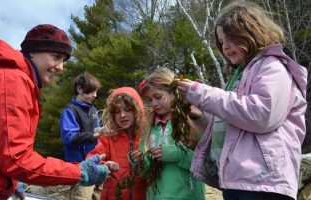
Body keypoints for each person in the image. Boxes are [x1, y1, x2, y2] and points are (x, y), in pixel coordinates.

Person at [0, 24, 109, 199]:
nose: (61, 67)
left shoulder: (8, 77)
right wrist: (78, 172)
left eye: (63, 61)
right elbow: (16, 159)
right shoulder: (10, 80)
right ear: (32, 52)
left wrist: (11, 184)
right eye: (55, 57)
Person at [177, 1, 307, 200]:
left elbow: (262, 114)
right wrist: (201, 116)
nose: (225, 46)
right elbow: (231, 126)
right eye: (221, 42)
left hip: (264, 183)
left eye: (230, 39)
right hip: (238, 181)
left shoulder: (273, 67)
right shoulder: (238, 77)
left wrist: (203, 94)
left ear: (251, 33)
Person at [131, 67, 205, 200]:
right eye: (149, 100)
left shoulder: (191, 123)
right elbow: (143, 174)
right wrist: (139, 162)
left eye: (158, 97)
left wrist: (177, 155)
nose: (153, 103)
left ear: (174, 93)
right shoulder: (149, 129)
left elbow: (204, 164)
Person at [86, 87, 147, 200]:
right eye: (117, 112)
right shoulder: (109, 138)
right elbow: (91, 161)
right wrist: (105, 166)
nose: (122, 115)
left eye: (127, 110)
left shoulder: (147, 136)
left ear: (137, 110)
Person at [60, 72, 102, 199]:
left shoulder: (93, 110)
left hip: (97, 166)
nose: (95, 95)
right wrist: (94, 135)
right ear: (79, 89)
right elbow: (69, 137)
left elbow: (98, 132)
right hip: (79, 167)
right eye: (91, 91)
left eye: (96, 92)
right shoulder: (70, 110)